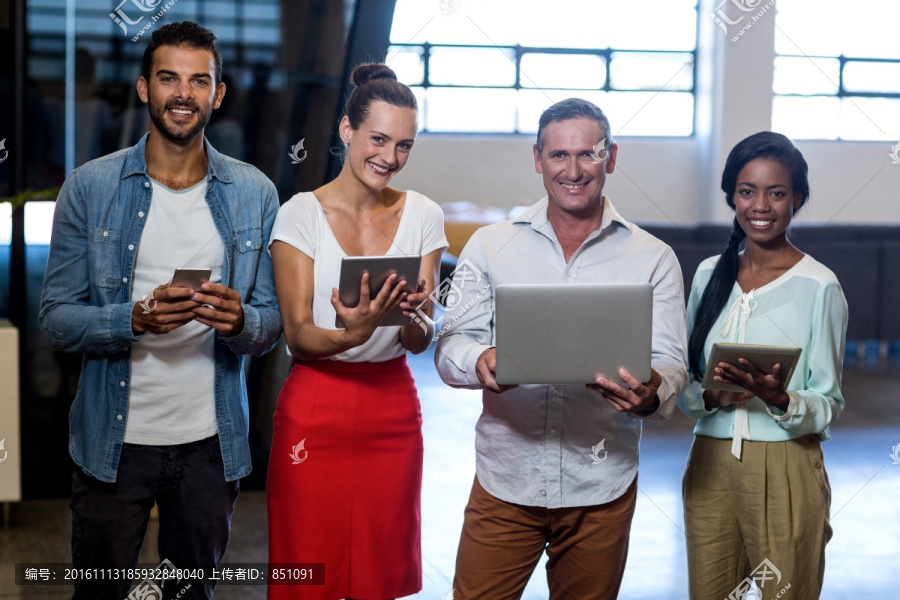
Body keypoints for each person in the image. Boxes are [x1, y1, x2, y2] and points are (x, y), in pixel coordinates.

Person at [39, 22, 282, 599]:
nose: (183, 93)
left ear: (217, 95)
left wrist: (242, 321)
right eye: (169, 77)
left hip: (210, 443)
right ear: (145, 87)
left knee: (189, 595)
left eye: (200, 81)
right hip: (111, 444)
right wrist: (134, 319)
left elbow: (272, 322)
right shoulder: (90, 187)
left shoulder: (255, 193)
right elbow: (56, 317)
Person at [434, 98, 689, 600]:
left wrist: (653, 392)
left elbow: (672, 363)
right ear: (537, 158)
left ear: (610, 157)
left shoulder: (654, 258)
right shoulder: (489, 246)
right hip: (505, 481)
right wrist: (479, 361)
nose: (573, 170)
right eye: (558, 156)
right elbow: (450, 347)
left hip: (601, 485)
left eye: (588, 155)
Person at [266, 63, 447, 600]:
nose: (390, 158)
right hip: (316, 406)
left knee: (380, 576)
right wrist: (352, 333)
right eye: (379, 139)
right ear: (347, 130)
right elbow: (298, 335)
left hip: (391, 408)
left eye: (405, 146)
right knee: (308, 578)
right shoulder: (299, 215)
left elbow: (418, 338)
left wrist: (418, 316)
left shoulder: (424, 216)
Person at [677, 131, 847, 599]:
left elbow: (829, 401)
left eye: (776, 193)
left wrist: (781, 399)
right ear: (732, 196)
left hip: (786, 465)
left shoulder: (820, 286)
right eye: (747, 191)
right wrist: (711, 395)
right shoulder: (710, 275)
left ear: (797, 198)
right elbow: (686, 384)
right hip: (709, 465)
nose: (761, 205)